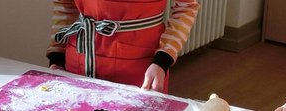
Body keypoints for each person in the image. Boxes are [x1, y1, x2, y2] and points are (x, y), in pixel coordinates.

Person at [46, 0, 199, 94]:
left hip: (139, 65)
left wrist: (163, 58)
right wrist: (57, 55)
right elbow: (65, 5)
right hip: (79, 59)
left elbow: (186, 6)